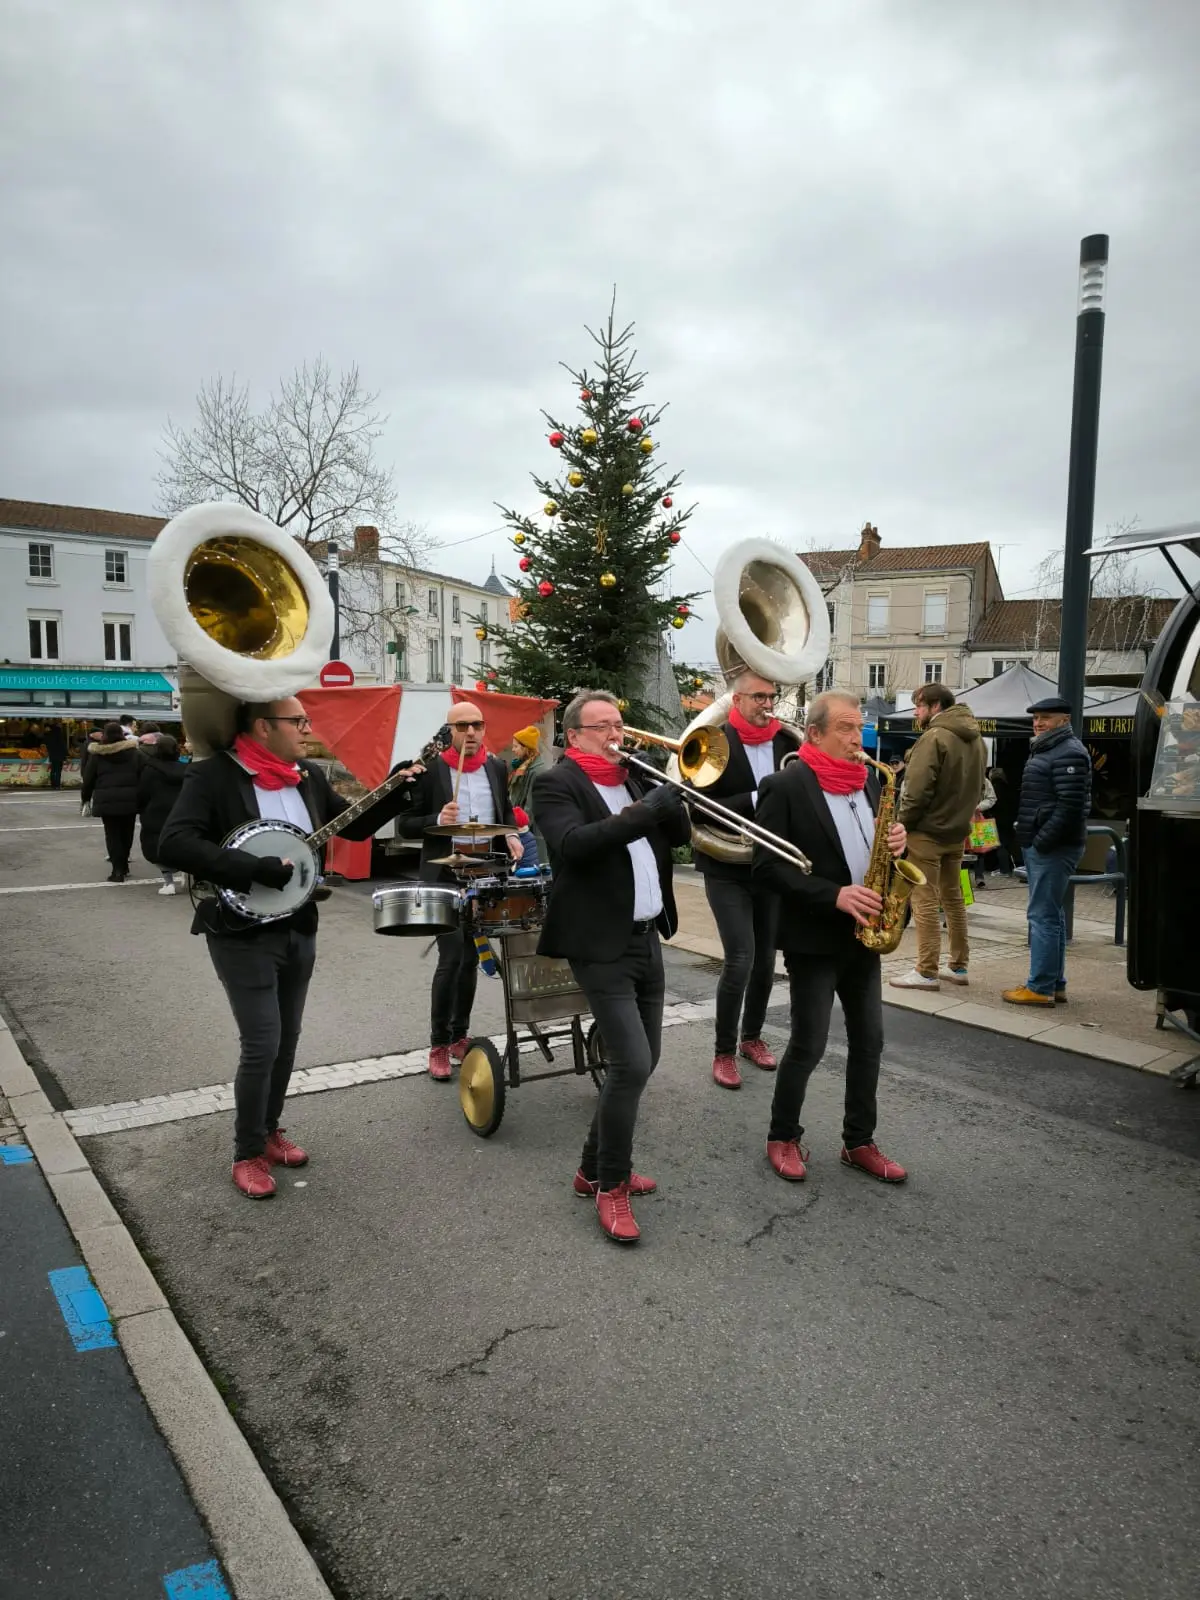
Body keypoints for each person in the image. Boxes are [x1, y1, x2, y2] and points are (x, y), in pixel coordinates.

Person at [157, 696, 396, 1198]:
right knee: (262, 1041)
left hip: (298, 924)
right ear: (263, 726)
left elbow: (352, 825)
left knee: (287, 1039)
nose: (307, 730)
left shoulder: (304, 774)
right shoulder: (214, 775)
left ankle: (268, 1130)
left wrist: (399, 792)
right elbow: (174, 842)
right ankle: (246, 1153)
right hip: (241, 929)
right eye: (298, 721)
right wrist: (251, 867)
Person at [534, 691, 690, 1244]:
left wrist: (676, 809)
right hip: (600, 943)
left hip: (648, 938)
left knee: (645, 1062)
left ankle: (589, 1167)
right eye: (602, 727)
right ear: (574, 735)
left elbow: (676, 843)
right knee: (629, 1064)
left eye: (619, 725)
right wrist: (643, 813)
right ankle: (612, 1186)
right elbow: (573, 845)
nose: (615, 735)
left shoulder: (634, 778)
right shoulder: (557, 782)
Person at [752, 691, 909, 1187]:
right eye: (844, 727)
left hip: (866, 934)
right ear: (815, 733)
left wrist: (898, 842)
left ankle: (858, 1140)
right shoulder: (785, 786)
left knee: (870, 1043)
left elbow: (876, 848)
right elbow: (766, 869)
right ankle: (783, 1135)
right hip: (815, 936)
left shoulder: (870, 785)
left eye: (858, 726)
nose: (855, 737)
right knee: (809, 1043)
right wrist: (833, 895)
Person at [393, 702, 521, 1079]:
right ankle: (437, 1043)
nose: (470, 733)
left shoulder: (496, 767)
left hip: (483, 874)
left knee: (470, 960)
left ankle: (459, 1037)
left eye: (477, 725)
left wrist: (511, 833)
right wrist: (437, 819)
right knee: (451, 959)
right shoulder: (432, 770)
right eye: (462, 726)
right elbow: (405, 826)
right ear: (449, 730)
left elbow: (506, 811)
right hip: (444, 874)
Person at [690, 671, 798, 1089]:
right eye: (759, 697)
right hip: (725, 865)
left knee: (767, 962)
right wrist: (759, 797)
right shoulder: (713, 740)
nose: (767, 704)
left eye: (772, 696)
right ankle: (723, 1050)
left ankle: (751, 1038)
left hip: (769, 865)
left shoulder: (788, 742)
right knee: (741, 959)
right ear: (736, 700)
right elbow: (698, 808)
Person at [889, 682, 985, 992]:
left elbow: (916, 792)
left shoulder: (933, 737)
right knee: (953, 898)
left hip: (926, 833)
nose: (916, 712)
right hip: (956, 832)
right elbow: (979, 789)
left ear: (934, 707)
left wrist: (901, 824)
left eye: (919, 706)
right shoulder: (976, 740)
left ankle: (926, 970)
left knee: (924, 900)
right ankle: (958, 965)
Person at [1002, 695, 1092, 1008]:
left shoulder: (1068, 752)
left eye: (1046, 718)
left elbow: (1071, 807)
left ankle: (1040, 987)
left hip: (1053, 847)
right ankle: (1055, 983)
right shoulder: (1051, 748)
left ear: (1064, 720)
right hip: (1046, 843)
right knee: (1051, 915)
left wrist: (1041, 840)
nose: (1039, 723)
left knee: (1042, 916)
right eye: (1036, 718)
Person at [80, 722, 142, 882]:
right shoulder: (134, 753)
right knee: (127, 833)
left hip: (106, 800)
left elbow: (88, 779)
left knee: (112, 834)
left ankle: (117, 870)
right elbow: (143, 774)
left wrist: (85, 798)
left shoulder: (97, 755)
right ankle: (125, 864)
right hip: (130, 798)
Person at [137, 734, 188, 894]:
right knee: (183, 846)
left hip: (155, 815)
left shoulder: (150, 769)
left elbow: (142, 793)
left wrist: (141, 809)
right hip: (180, 813)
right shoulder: (185, 769)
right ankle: (187, 873)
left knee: (156, 849)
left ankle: (169, 883)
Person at [42, 722, 68, 790]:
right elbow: (63, 746)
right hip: (59, 755)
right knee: (58, 771)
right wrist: (66, 755)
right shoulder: (59, 735)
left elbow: (47, 745)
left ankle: (53, 784)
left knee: (53, 770)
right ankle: (57, 785)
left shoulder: (48, 735)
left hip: (52, 755)